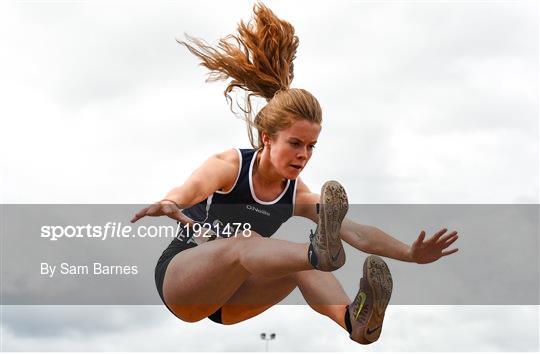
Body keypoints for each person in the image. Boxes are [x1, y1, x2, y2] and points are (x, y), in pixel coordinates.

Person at [131, 3, 459, 345]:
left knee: (297, 261)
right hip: (184, 281)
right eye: (295, 143)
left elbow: (356, 233)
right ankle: (317, 253)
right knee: (252, 244)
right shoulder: (230, 166)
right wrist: (172, 202)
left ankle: (353, 322)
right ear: (267, 138)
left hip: (233, 299)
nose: (303, 155)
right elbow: (193, 187)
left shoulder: (296, 195)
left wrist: (409, 254)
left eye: (311, 146)